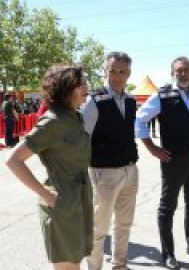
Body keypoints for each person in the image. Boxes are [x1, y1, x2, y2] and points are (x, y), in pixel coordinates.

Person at [5, 64, 92, 270]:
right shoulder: (52, 122)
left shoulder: (74, 116)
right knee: (67, 265)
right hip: (61, 202)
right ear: (68, 87)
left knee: (75, 262)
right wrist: (46, 195)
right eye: (83, 84)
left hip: (80, 198)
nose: (87, 87)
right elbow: (13, 161)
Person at [135, 56, 189, 269]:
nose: (183, 74)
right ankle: (168, 254)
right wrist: (152, 148)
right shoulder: (162, 95)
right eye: (179, 70)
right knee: (167, 206)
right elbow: (139, 120)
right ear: (173, 72)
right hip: (173, 159)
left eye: (187, 70)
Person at [80, 52, 139, 270]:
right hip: (104, 172)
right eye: (112, 70)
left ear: (129, 74)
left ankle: (119, 265)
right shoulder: (94, 101)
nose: (116, 76)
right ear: (105, 71)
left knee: (124, 223)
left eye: (121, 71)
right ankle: (94, 267)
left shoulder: (132, 101)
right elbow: (82, 138)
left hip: (130, 170)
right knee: (99, 227)